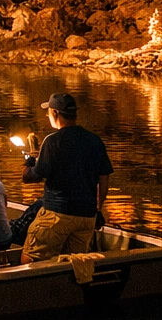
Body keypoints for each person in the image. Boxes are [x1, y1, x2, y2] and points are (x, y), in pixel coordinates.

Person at [21, 93, 113, 263]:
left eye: (48, 112)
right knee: (73, 264)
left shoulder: (52, 141)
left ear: (55, 113)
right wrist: (98, 209)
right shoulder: (94, 140)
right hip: (86, 217)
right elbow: (104, 178)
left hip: (57, 214)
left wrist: (28, 163)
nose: (47, 115)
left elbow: (33, 176)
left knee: (30, 258)